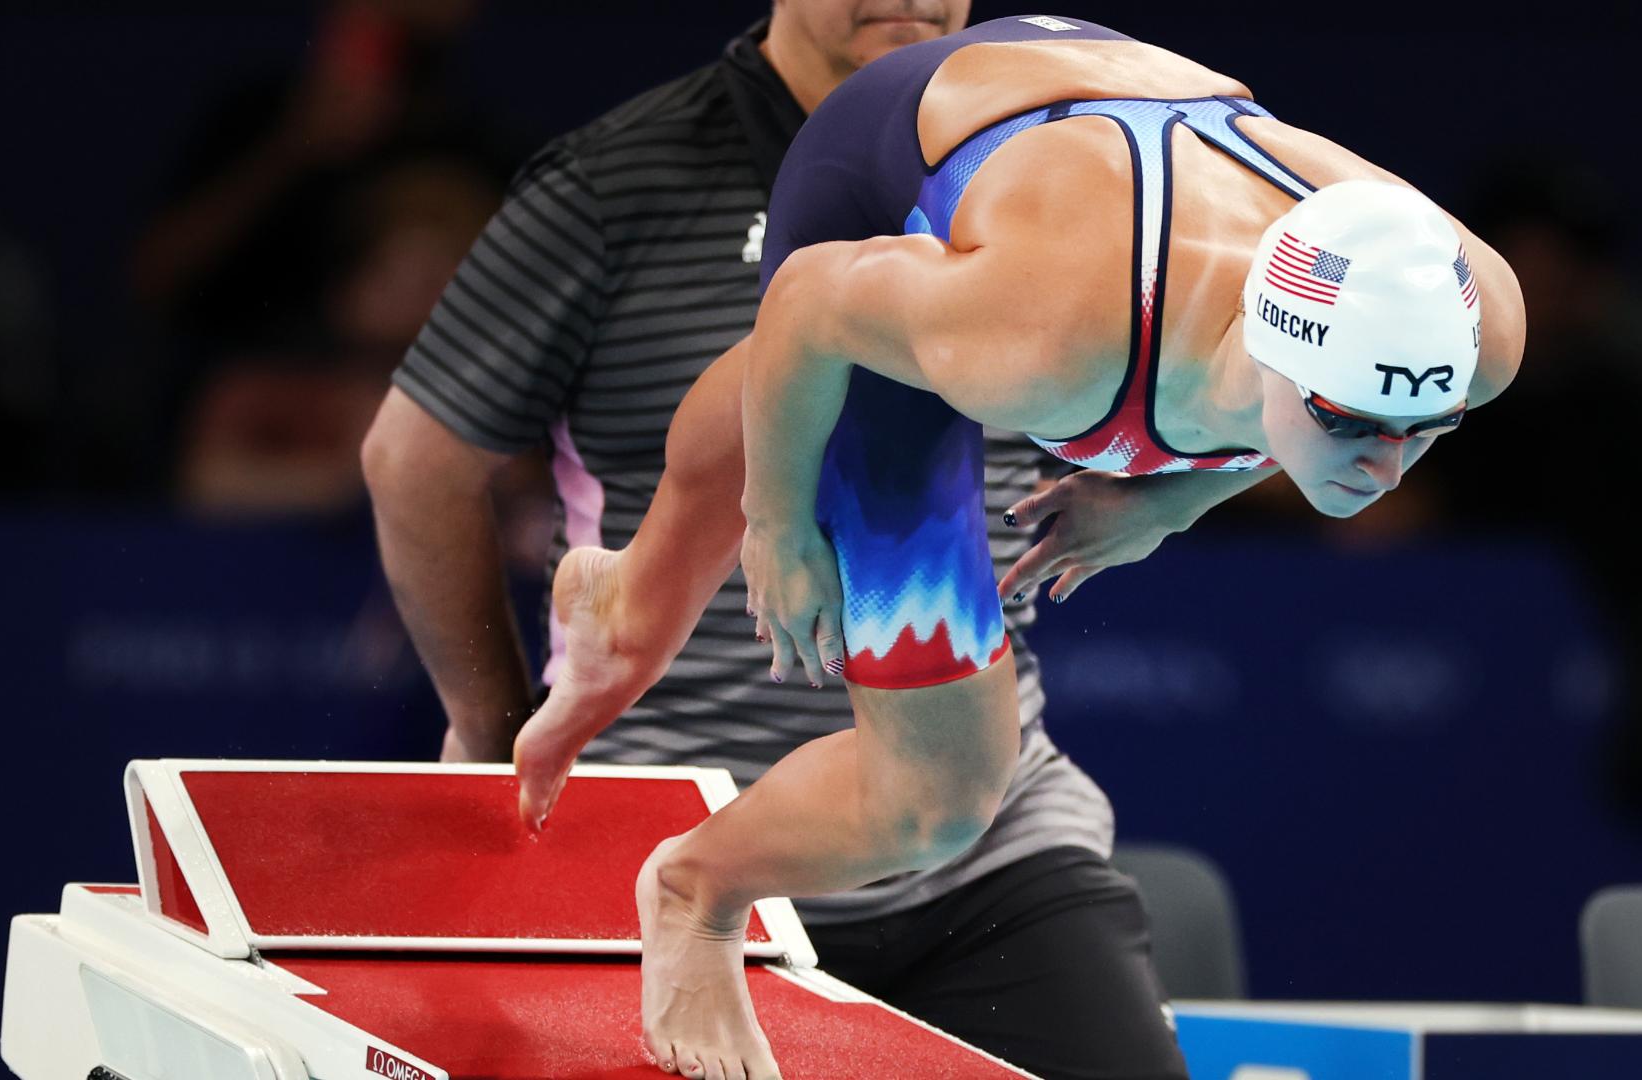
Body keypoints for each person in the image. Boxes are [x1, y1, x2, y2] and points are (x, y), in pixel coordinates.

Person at [506, 14, 1525, 1078]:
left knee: (848, 405)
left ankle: (623, 608)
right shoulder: (1047, 342)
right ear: (1270, 351)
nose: (1390, 468)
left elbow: (1357, 403)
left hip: (1126, 123)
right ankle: (696, 890)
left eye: (1428, 428)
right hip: (899, 153)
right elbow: (808, 309)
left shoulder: (1477, 327)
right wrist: (778, 527)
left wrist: (1178, 498)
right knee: (935, 800)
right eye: (1353, 423)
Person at [361, 5, 1190, 1079]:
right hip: (666, 818)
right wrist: (489, 723)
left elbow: (1243, 348)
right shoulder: (614, 184)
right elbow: (415, 462)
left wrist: (1180, 488)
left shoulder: (1057, 160)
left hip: (986, 849)